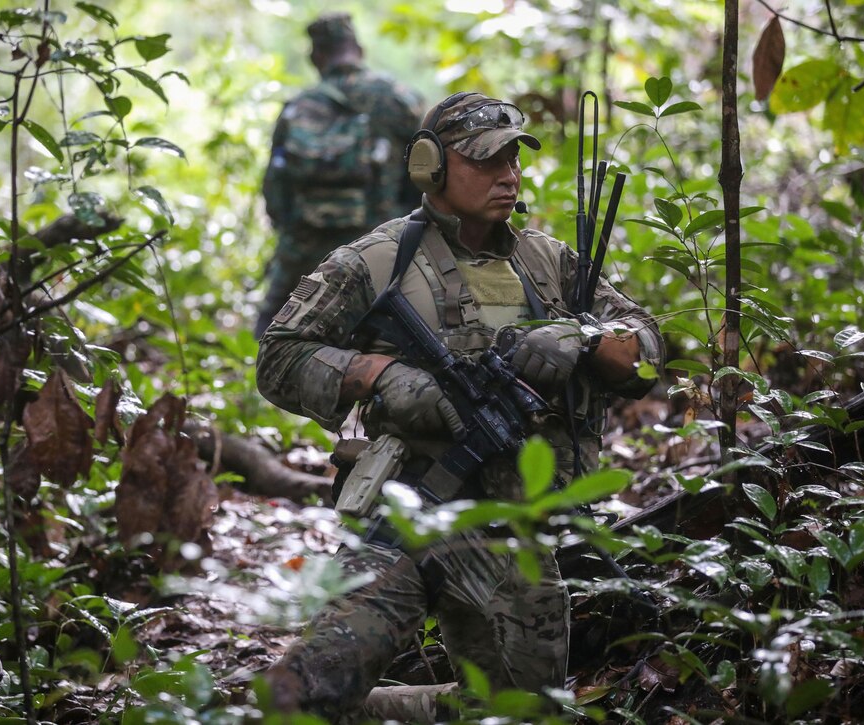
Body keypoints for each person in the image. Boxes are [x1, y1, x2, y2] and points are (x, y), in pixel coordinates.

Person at [256, 91, 665, 721]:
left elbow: (645, 349)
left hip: (515, 539)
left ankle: (384, 712)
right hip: (410, 518)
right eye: (485, 159)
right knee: (306, 692)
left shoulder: (550, 264)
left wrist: (579, 338)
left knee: (521, 713)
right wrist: (381, 373)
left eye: (514, 158)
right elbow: (279, 358)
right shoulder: (377, 261)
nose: (508, 174)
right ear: (431, 166)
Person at [255, 11, 423, 338]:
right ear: (359, 49)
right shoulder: (401, 99)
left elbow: (275, 190)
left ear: (316, 56)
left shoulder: (298, 107)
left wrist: (294, 233)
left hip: (304, 249)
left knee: (276, 332)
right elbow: (424, 176)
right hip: (380, 244)